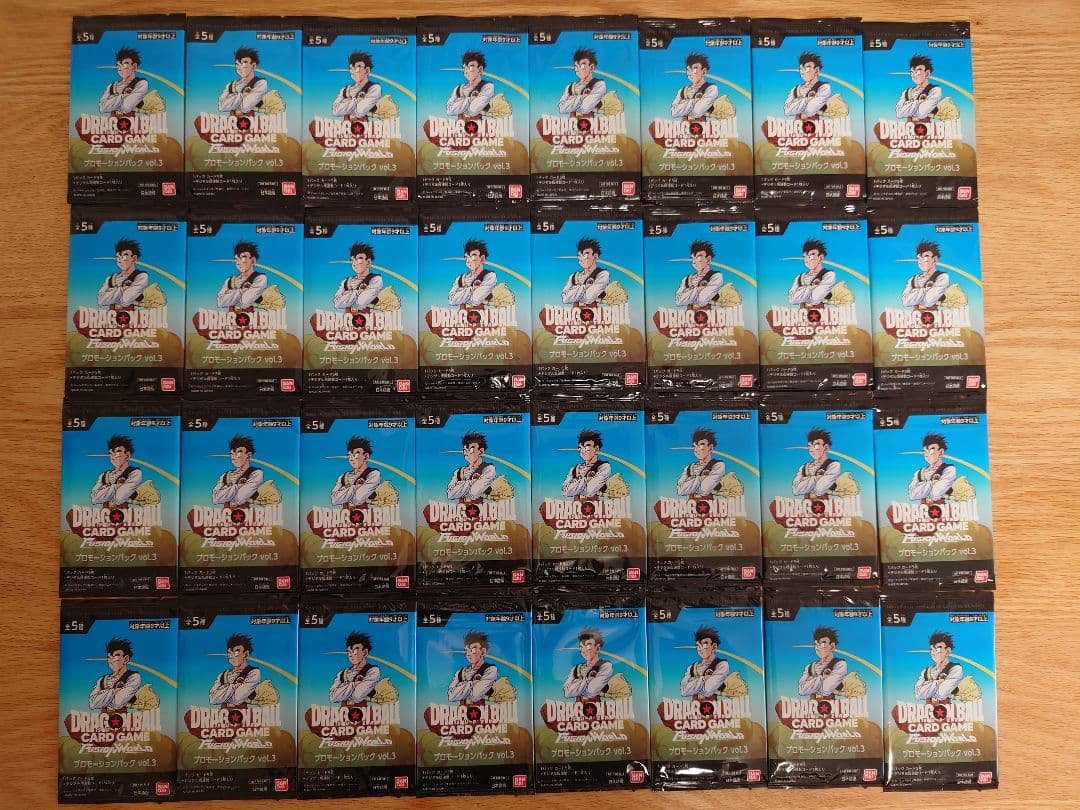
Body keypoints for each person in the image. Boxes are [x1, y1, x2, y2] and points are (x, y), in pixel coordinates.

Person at [90, 434, 143, 508]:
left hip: (124, 513)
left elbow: (119, 498)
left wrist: (104, 490)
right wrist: (116, 486)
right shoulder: (103, 476)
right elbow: (94, 498)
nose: (113, 456)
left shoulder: (135, 473)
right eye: (110, 453)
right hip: (104, 513)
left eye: (117, 451)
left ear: (127, 455)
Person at [89, 638, 142, 710]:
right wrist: (114, 691)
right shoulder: (102, 680)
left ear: (126, 659)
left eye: (115, 656)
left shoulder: (134, 677)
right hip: (103, 716)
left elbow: (117, 703)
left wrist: (102, 696)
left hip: (122, 716)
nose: (111, 661)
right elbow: (92, 704)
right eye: (109, 657)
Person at [329, 632, 381, 705]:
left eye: (354, 651)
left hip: (362, 711)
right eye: (349, 652)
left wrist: (342, 690)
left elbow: (357, 696)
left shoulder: (373, 670)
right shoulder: (342, 673)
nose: (350, 655)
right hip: (343, 711)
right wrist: (354, 684)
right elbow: (332, 697)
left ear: (365, 653)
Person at [209, 633, 261, 707]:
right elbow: (212, 699)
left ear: (246, 654)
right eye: (229, 653)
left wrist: (222, 693)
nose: (231, 656)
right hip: (222, 712)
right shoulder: (223, 675)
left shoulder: (253, 672)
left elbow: (237, 699)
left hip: (242, 713)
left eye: (236, 652)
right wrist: (234, 687)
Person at [212, 435, 263, 509]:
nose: (234, 457)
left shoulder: (256, 473)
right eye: (232, 454)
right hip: (225, 513)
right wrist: (237, 487)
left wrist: (225, 490)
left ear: (248, 456)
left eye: (238, 453)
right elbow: (216, 499)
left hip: (245, 513)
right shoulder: (225, 475)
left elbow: (239, 498)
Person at [447, 630, 498, 704]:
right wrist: (472, 683)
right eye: (466, 651)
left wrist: (461, 686)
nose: (468, 654)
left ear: (483, 652)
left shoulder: (490, 669)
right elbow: (451, 696)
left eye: (473, 650)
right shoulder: (460, 672)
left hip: (481, 710)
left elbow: (475, 695)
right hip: (461, 710)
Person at [797, 626, 847, 700]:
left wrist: (810, 682)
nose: (818, 648)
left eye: (822, 644)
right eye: (816, 645)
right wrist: (822, 678)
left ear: (832, 647)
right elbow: (802, 690)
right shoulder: (809, 667)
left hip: (830, 704)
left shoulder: (840, 664)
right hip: (812, 704)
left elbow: (826, 690)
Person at [330, 437, 381, 509]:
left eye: (355, 455)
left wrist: (344, 493)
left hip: (364, 514)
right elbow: (334, 500)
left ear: (366, 456)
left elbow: (358, 499)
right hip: (344, 514)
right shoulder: (343, 477)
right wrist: (356, 487)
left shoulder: (373, 474)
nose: (351, 459)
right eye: (349, 456)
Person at [914, 631, 963, 705]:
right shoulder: (926, 671)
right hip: (928, 709)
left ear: (948, 651)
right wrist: (938, 682)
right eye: (932, 650)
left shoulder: (955, 669)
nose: (934, 653)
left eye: (938, 649)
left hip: (946, 708)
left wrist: (926, 687)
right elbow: (918, 695)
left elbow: (941, 694)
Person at [680, 626, 730, 699]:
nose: (700, 649)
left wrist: (692, 683)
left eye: (704, 644)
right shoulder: (691, 667)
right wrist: (704, 678)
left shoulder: (722, 665)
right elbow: (684, 691)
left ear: (714, 647)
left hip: (712, 705)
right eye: (698, 645)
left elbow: (707, 690)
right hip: (694, 705)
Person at [98, 239, 149, 309]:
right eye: (117, 257)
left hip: (130, 314)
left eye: (124, 256)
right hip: (111, 314)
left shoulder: (141, 276)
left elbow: (125, 300)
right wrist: (122, 289)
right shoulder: (110, 278)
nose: (120, 260)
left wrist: (111, 293)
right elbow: (101, 300)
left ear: (134, 258)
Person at [563, 628, 613, 699]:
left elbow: (592, 691)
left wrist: (576, 684)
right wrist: (587, 680)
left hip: (596, 705)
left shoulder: (605, 666)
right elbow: (567, 693)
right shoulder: (576, 668)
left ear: (597, 648)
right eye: (581, 647)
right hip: (577, 705)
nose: (583, 651)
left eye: (588, 647)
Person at [446, 432, 496, 502]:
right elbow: (450, 494)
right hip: (460, 508)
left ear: (481, 451)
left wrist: (459, 486)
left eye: (471, 450)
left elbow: (474, 493)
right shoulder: (458, 472)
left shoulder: (488, 469)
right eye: (465, 450)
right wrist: (472, 482)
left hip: (480, 508)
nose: (466, 453)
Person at [217, 241, 267, 310]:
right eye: (236, 259)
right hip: (230, 315)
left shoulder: (260, 278)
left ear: (253, 260)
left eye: (242, 258)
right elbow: (220, 302)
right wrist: (241, 291)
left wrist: (230, 296)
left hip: (249, 316)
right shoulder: (229, 280)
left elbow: (245, 301)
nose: (238, 263)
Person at [333, 242, 383, 311]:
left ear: (368, 262)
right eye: (352, 260)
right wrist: (358, 292)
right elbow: (337, 304)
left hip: (366, 317)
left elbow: (361, 303)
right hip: (347, 316)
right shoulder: (345, 282)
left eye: (359, 259)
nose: (354, 264)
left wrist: (346, 295)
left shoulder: (375, 279)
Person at [792, 428, 841, 498]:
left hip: (825, 503)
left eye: (816, 446)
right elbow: (796, 490)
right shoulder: (804, 467)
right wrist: (816, 478)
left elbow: (819, 489)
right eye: (809, 446)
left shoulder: (833, 465)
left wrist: (804, 481)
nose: (811, 450)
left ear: (826, 448)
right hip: (806, 503)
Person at [908, 433, 956, 503]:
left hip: (941, 508)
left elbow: (935, 495)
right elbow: (912, 495)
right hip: (922, 508)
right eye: (925, 452)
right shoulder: (919, 472)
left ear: (941, 452)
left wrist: (920, 487)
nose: (927, 454)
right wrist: (931, 483)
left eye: (931, 451)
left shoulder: (949, 469)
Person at [676, 428, 725, 498]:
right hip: (690, 503)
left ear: (710, 448)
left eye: (701, 445)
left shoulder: (718, 465)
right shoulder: (689, 467)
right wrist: (701, 478)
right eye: (694, 446)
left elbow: (704, 490)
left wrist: (689, 484)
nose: (696, 450)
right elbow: (680, 490)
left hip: (709, 503)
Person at [674, 240, 724, 308]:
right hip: (688, 313)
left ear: (708, 259)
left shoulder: (716, 276)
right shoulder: (686, 279)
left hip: (707, 313)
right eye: (692, 258)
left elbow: (702, 300)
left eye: (698, 257)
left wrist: (687, 294)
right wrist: (699, 289)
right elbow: (678, 301)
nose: (694, 262)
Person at [562, 429, 611, 499]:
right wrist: (586, 480)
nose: (582, 451)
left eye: (587, 447)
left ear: (596, 449)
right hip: (576, 505)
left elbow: (589, 492)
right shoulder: (574, 469)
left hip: (595, 505)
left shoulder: (604, 467)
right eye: (580, 448)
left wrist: (574, 487)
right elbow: (565, 492)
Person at [448, 239, 497, 308]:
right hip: (462, 314)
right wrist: (472, 289)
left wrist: (460, 294)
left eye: (472, 256)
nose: (468, 261)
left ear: (482, 258)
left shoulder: (490, 276)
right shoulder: (460, 278)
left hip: (482, 314)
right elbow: (451, 300)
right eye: (466, 257)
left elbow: (475, 300)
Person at [99, 47, 149, 115]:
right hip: (112, 120)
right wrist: (122, 97)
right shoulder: (111, 86)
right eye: (118, 65)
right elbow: (102, 108)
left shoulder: (141, 83)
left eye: (125, 64)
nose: (120, 68)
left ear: (134, 66)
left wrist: (111, 102)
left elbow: (126, 108)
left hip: (130, 121)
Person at [332, 51, 382, 119]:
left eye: (357, 67)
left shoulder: (374, 88)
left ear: (367, 70)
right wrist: (356, 101)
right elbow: (335, 111)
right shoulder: (344, 90)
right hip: (345, 124)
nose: (353, 71)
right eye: (351, 68)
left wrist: (345, 103)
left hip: (364, 125)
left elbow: (359, 112)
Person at [901, 241, 950, 309]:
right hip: (915, 314)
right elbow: (905, 302)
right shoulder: (912, 279)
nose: (921, 261)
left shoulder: (942, 277)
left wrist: (914, 293)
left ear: (935, 259)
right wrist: (924, 290)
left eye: (925, 257)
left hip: (933, 314)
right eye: (918, 258)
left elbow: (928, 301)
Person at [788, 239, 836, 308]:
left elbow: (815, 299)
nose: (807, 260)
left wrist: (800, 292)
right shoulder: (799, 277)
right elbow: (792, 299)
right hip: (802, 313)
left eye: (810, 256)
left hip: (820, 313)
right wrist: (811, 288)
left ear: (821, 258)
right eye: (805, 257)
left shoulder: (829, 275)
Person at [219, 47, 268, 114]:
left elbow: (245, 107)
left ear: (253, 66)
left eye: (244, 63)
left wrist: (230, 100)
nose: (239, 67)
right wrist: (242, 95)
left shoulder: (260, 83)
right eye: (237, 64)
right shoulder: (231, 85)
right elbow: (221, 106)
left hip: (250, 119)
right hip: (231, 119)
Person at [446, 50, 494, 119]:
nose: (466, 71)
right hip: (460, 125)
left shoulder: (487, 87)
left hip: (478, 125)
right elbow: (449, 110)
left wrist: (458, 104)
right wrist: (470, 100)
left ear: (480, 69)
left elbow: (473, 111)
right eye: (464, 68)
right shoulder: (458, 89)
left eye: (470, 67)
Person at [559, 48, 607, 117]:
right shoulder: (570, 87)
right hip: (571, 123)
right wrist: (583, 97)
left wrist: (570, 102)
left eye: (582, 66)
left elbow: (585, 108)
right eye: (576, 66)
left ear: (591, 67)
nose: (577, 69)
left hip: (590, 122)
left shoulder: (599, 84)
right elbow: (562, 109)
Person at [670, 52, 718, 121]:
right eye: (688, 70)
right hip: (684, 125)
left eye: (694, 69)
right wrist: (694, 101)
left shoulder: (711, 88)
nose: (690, 73)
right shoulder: (682, 90)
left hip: (701, 126)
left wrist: (682, 104)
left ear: (704, 72)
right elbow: (674, 112)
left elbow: (697, 112)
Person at [561, 238, 609, 306]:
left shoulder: (603, 274)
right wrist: (584, 287)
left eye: (585, 255)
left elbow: (588, 298)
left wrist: (573, 292)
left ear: (595, 256)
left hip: (593, 311)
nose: (582, 259)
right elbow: (565, 299)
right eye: (579, 256)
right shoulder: (574, 276)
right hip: (575, 311)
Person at [783, 52, 832, 119]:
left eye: (806, 68)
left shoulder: (824, 87)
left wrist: (796, 104)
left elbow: (810, 110)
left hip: (815, 124)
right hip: (797, 124)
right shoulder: (795, 89)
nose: (802, 72)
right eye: (801, 69)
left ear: (816, 70)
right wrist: (807, 100)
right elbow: (787, 110)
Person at [895, 55, 942, 121]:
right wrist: (918, 102)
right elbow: (899, 113)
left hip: (925, 126)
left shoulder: (935, 90)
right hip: (908, 125)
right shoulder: (907, 92)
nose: (914, 75)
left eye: (917, 72)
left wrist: (907, 106)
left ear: (927, 73)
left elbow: (921, 113)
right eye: (912, 72)